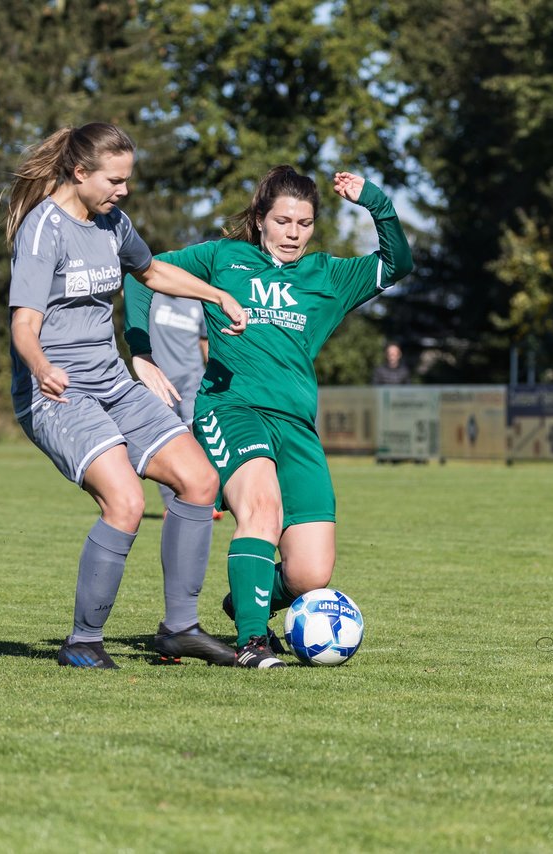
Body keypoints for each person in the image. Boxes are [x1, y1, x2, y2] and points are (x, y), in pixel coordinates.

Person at [125, 165, 413, 667]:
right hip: (231, 407)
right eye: (282, 221)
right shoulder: (222, 258)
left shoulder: (328, 277)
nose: (292, 233)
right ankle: (253, 641)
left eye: (303, 224)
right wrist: (140, 350)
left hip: (297, 427)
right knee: (262, 508)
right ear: (259, 219)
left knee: (310, 573)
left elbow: (398, 263)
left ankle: (244, 599)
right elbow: (143, 275)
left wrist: (375, 202)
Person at [5, 122, 248, 669]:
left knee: (200, 480)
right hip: (57, 396)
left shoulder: (114, 223)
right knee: (127, 502)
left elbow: (154, 270)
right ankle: (83, 642)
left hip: (113, 384)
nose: (124, 189)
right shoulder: (43, 230)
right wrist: (41, 366)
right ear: (80, 172)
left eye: (127, 179)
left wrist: (217, 296)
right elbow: (24, 323)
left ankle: (180, 629)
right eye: (115, 180)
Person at [136, 293, 221, 520]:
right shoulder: (152, 297)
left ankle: (206, 499)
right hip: (160, 382)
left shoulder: (197, 303)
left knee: (199, 437)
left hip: (192, 380)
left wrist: (214, 371)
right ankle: (171, 504)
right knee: (164, 444)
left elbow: (204, 340)